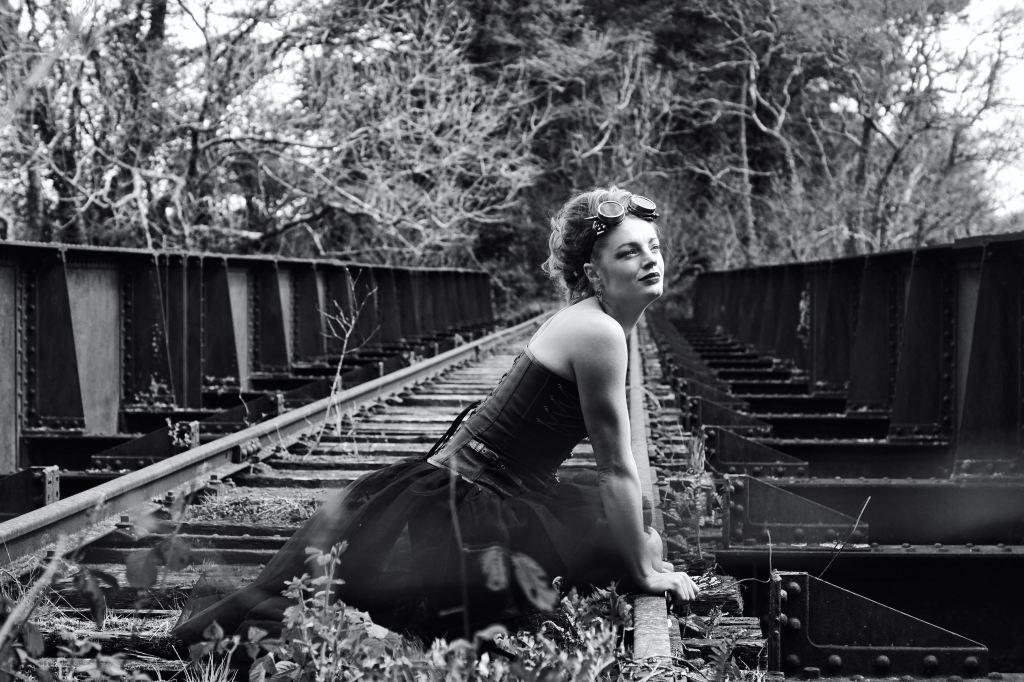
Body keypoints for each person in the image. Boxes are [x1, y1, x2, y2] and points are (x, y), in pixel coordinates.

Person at [172, 186, 699, 644]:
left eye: (652, 247)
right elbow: (615, 467)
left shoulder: (601, 324)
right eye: (629, 253)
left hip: (499, 489)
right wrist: (645, 575)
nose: (650, 260)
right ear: (594, 272)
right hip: (469, 505)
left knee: (641, 540)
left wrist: (644, 558)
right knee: (629, 551)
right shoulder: (599, 331)